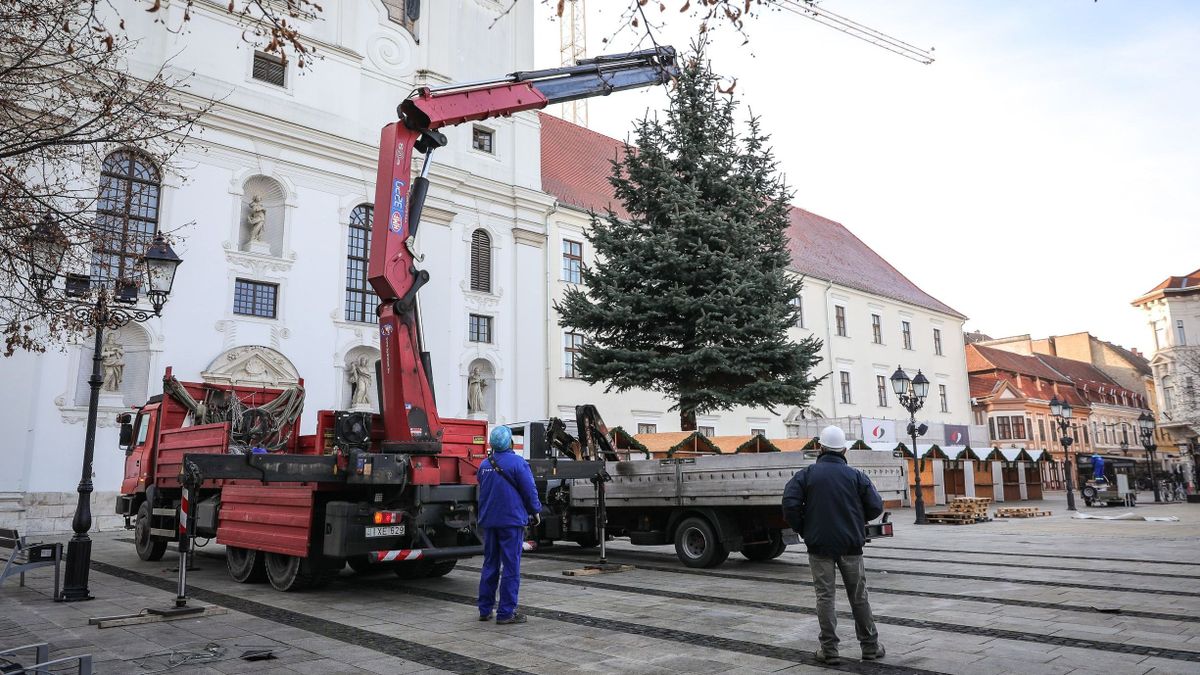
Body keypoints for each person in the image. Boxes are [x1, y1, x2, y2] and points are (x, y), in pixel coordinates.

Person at [782, 425, 884, 665]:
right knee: (859, 596)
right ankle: (870, 647)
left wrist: (803, 528)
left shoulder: (806, 475)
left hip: (819, 545)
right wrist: (858, 520)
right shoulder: (857, 476)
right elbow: (876, 506)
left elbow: (789, 503)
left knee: (825, 597)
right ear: (844, 450)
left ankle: (829, 650)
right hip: (851, 545)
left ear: (820, 447)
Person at [476, 425, 542, 625]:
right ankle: (506, 612)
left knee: (490, 564)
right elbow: (529, 491)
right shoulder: (518, 463)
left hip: (489, 521)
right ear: (510, 443)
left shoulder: (484, 465)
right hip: (511, 522)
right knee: (511, 567)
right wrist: (535, 511)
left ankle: (485, 609)